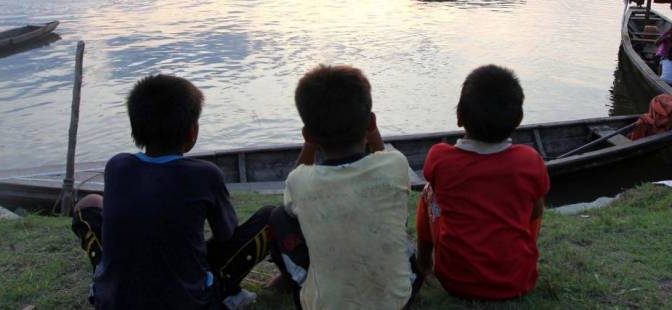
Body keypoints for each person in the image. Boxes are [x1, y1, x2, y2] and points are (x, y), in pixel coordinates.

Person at [70, 75, 274, 309]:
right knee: (270, 217)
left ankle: (103, 280)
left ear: (135, 129)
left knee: (89, 204)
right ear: (192, 132)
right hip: (192, 303)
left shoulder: (116, 166)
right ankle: (228, 294)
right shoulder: (206, 175)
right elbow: (226, 233)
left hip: (112, 302)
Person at [268, 65, 422, 309]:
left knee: (277, 215)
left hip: (324, 305)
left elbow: (294, 182)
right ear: (371, 123)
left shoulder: (299, 182)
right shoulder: (396, 165)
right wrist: (372, 130)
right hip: (398, 300)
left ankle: (293, 280)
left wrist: (309, 143)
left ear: (308, 135)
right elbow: (381, 155)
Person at [416, 65, 550, 300]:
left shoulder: (439, 158)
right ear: (518, 119)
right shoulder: (530, 161)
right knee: (535, 202)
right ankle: (521, 254)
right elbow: (535, 211)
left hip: (455, 281)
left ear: (459, 116)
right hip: (519, 280)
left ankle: (424, 262)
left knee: (428, 193)